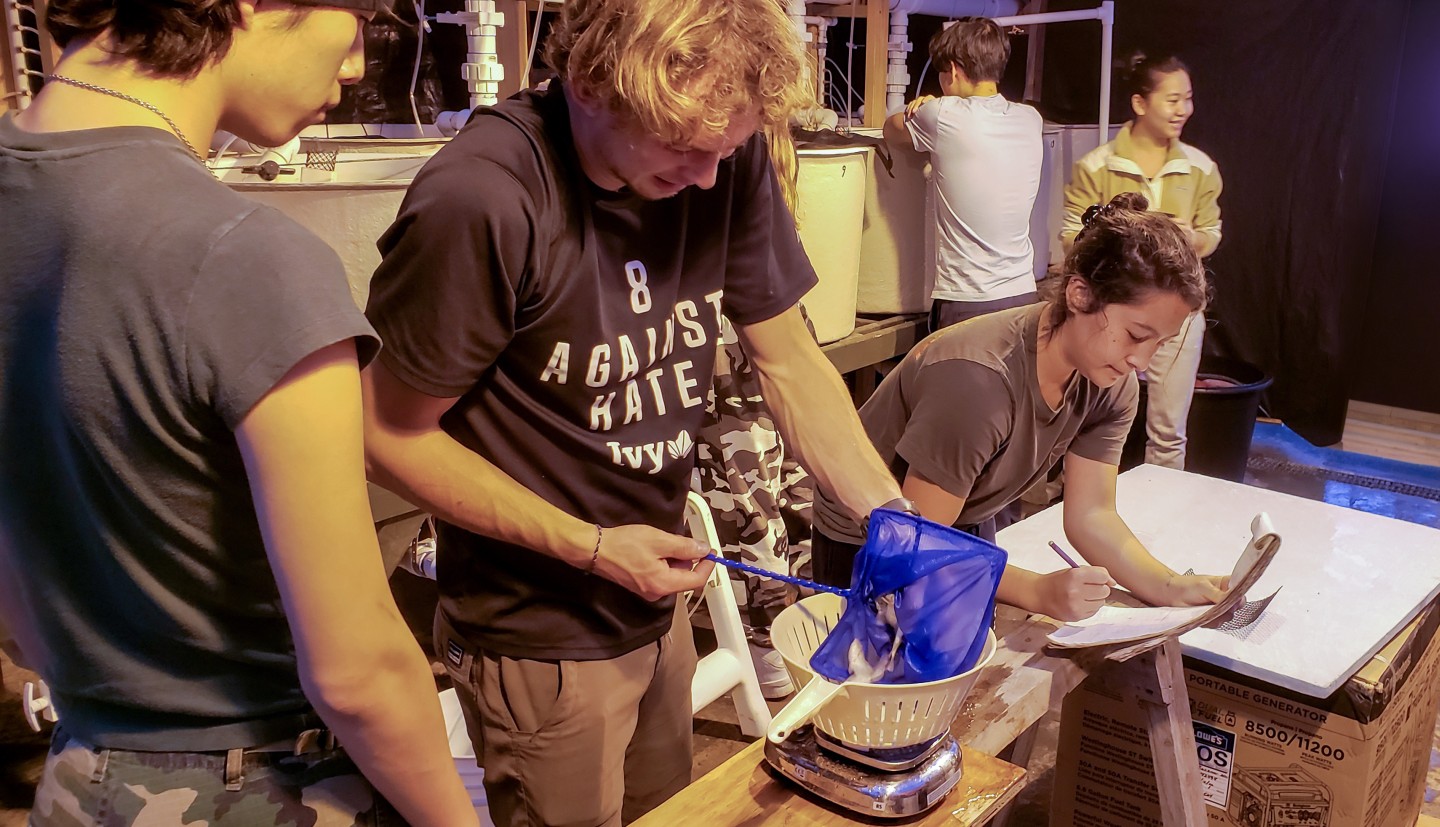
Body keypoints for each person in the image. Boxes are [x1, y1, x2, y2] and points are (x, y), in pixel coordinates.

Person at [358, 0, 903, 824]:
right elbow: (385, 435)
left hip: (653, 593)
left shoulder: (723, 150)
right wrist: (596, 548)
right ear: (589, 83)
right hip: (540, 628)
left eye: (726, 149)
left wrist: (893, 522)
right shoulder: (486, 197)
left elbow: (788, 359)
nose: (711, 177)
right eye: (686, 148)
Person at [0, 2, 480, 824]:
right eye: (358, 15)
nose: (360, 64)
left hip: (79, 777)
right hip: (259, 786)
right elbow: (358, 670)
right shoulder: (247, 254)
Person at [811, 193, 1230, 621]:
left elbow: (1091, 513)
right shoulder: (978, 380)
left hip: (958, 526)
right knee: (884, 676)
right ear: (1080, 295)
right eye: (1136, 335)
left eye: (1160, 344)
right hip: (869, 543)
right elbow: (914, 545)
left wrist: (1167, 585)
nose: (1141, 362)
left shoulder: (1110, 381)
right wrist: (1035, 591)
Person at [1061, 52, 1223, 470]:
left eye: (1187, 99)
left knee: (1168, 433)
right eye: (1172, 99)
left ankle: (1157, 516)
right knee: (1083, 421)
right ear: (1140, 103)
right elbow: (1069, 235)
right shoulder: (1097, 165)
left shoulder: (1200, 168)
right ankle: (1074, 506)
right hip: (1110, 314)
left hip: (1176, 318)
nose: (1182, 110)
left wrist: (1190, 239)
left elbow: (1213, 231)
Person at [883, 16, 1044, 333]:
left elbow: (890, 130)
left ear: (953, 70)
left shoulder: (941, 114)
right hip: (1024, 295)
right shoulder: (1031, 119)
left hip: (967, 301)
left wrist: (922, 105)